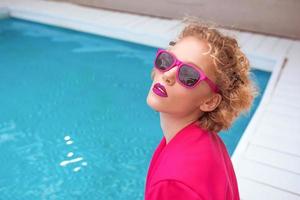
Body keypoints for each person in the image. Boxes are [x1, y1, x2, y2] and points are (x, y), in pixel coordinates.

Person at [145, 16, 259, 200]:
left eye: (188, 75)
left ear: (210, 101)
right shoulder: (207, 142)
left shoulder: (174, 184)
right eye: (167, 60)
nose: (168, 75)